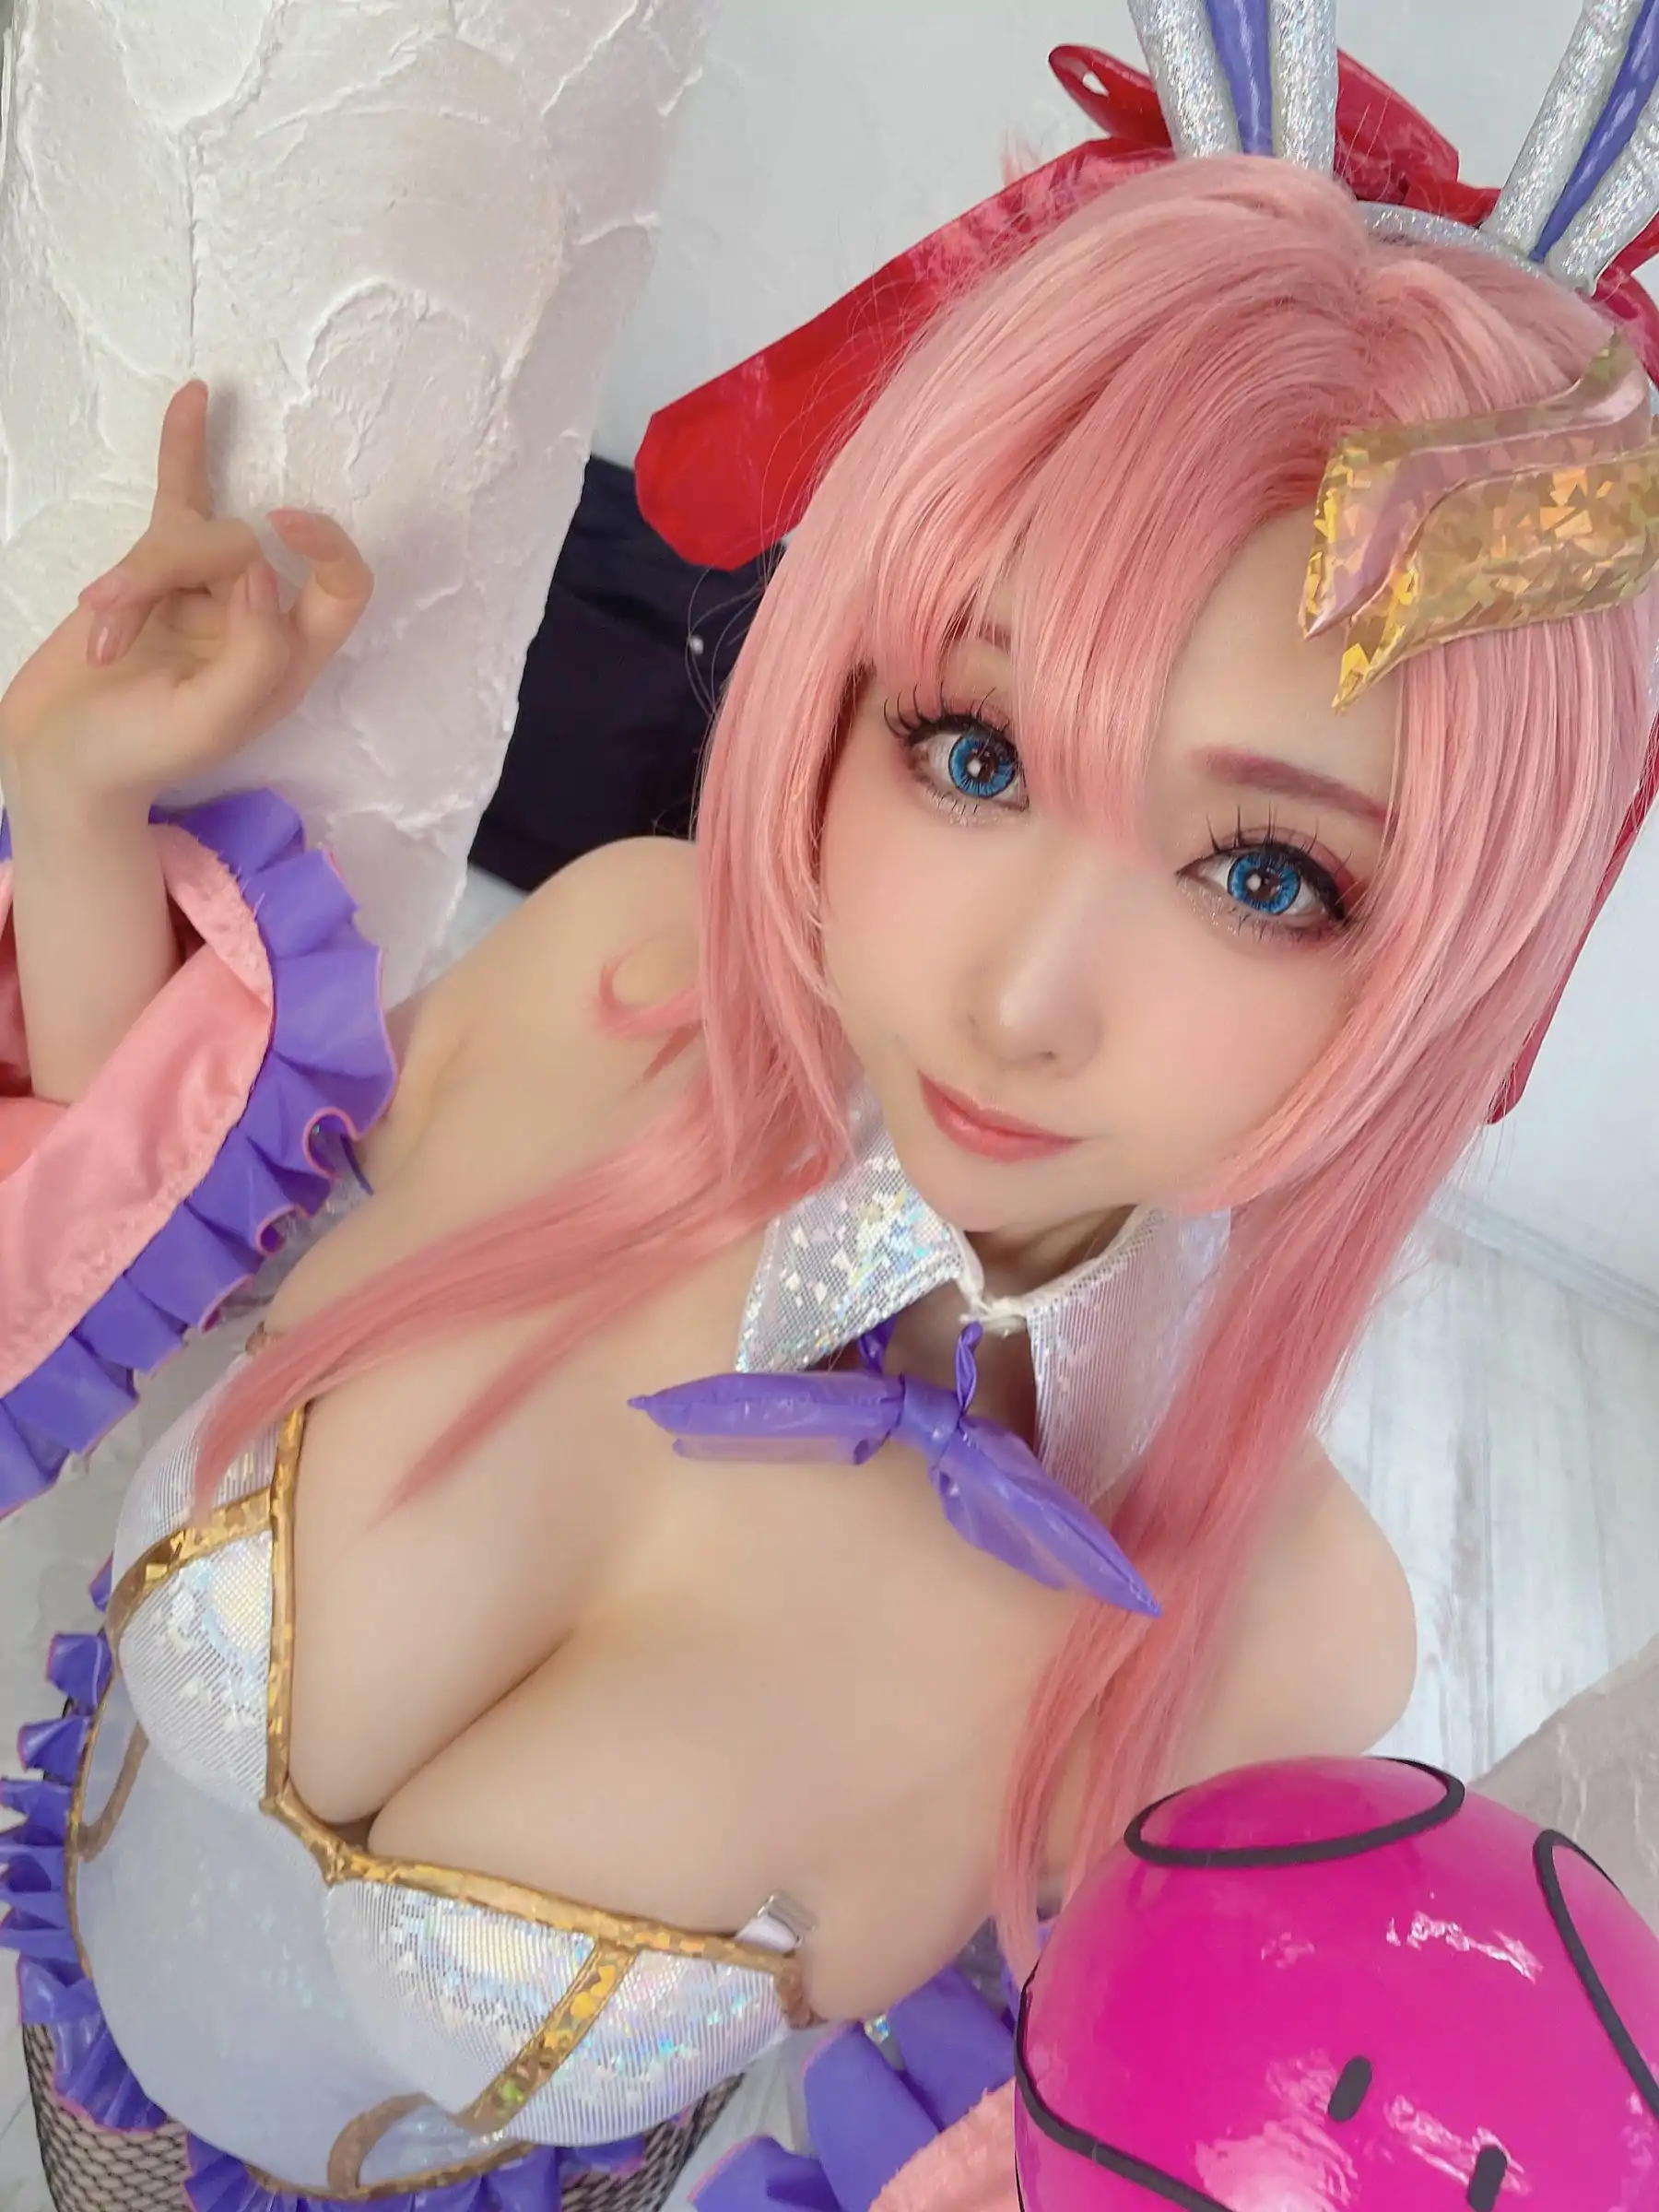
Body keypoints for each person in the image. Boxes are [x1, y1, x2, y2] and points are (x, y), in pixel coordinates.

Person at [2, 6, 1657, 2206]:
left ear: (1450, 962)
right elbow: (142, 1228)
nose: (1022, 1001)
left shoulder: (1277, 1635)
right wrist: (73, 799)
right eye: (972, 751)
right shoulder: (618, 972)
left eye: (1266, 877)